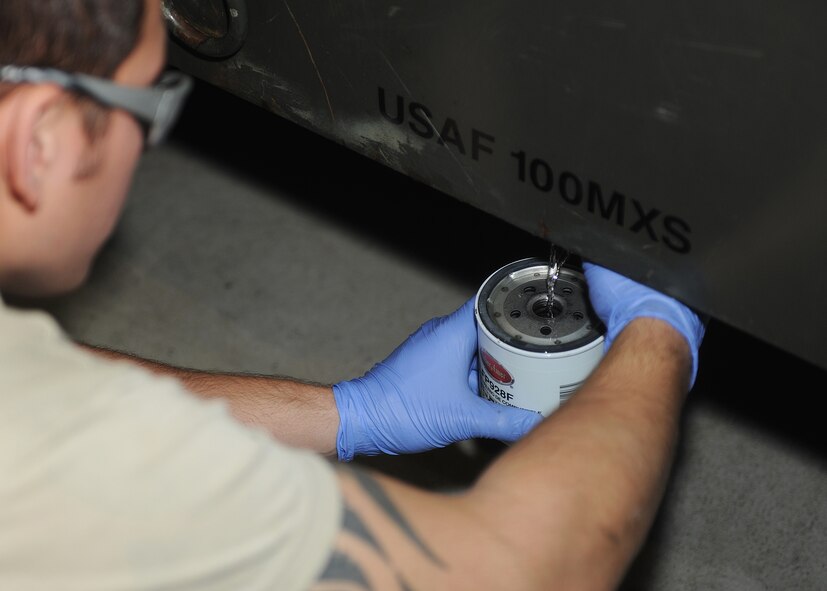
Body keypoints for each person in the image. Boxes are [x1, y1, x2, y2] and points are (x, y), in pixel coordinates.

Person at [0, 1, 705, 590]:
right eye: (149, 100)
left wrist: (351, 414)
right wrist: (656, 331)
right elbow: (521, 567)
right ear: (38, 141)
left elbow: (51, 389)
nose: (147, 148)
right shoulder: (48, 463)